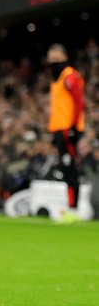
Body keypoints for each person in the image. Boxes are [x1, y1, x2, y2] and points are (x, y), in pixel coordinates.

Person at [45, 43, 85, 211]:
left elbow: (78, 103)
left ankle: (73, 209)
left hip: (68, 130)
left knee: (69, 169)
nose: (53, 61)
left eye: (56, 58)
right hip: (59, 130)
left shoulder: (70, 76)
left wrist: (73, 128)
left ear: (64, 57)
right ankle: (71, 207)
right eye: (50, 58)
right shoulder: (58, 80)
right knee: (65, 167)